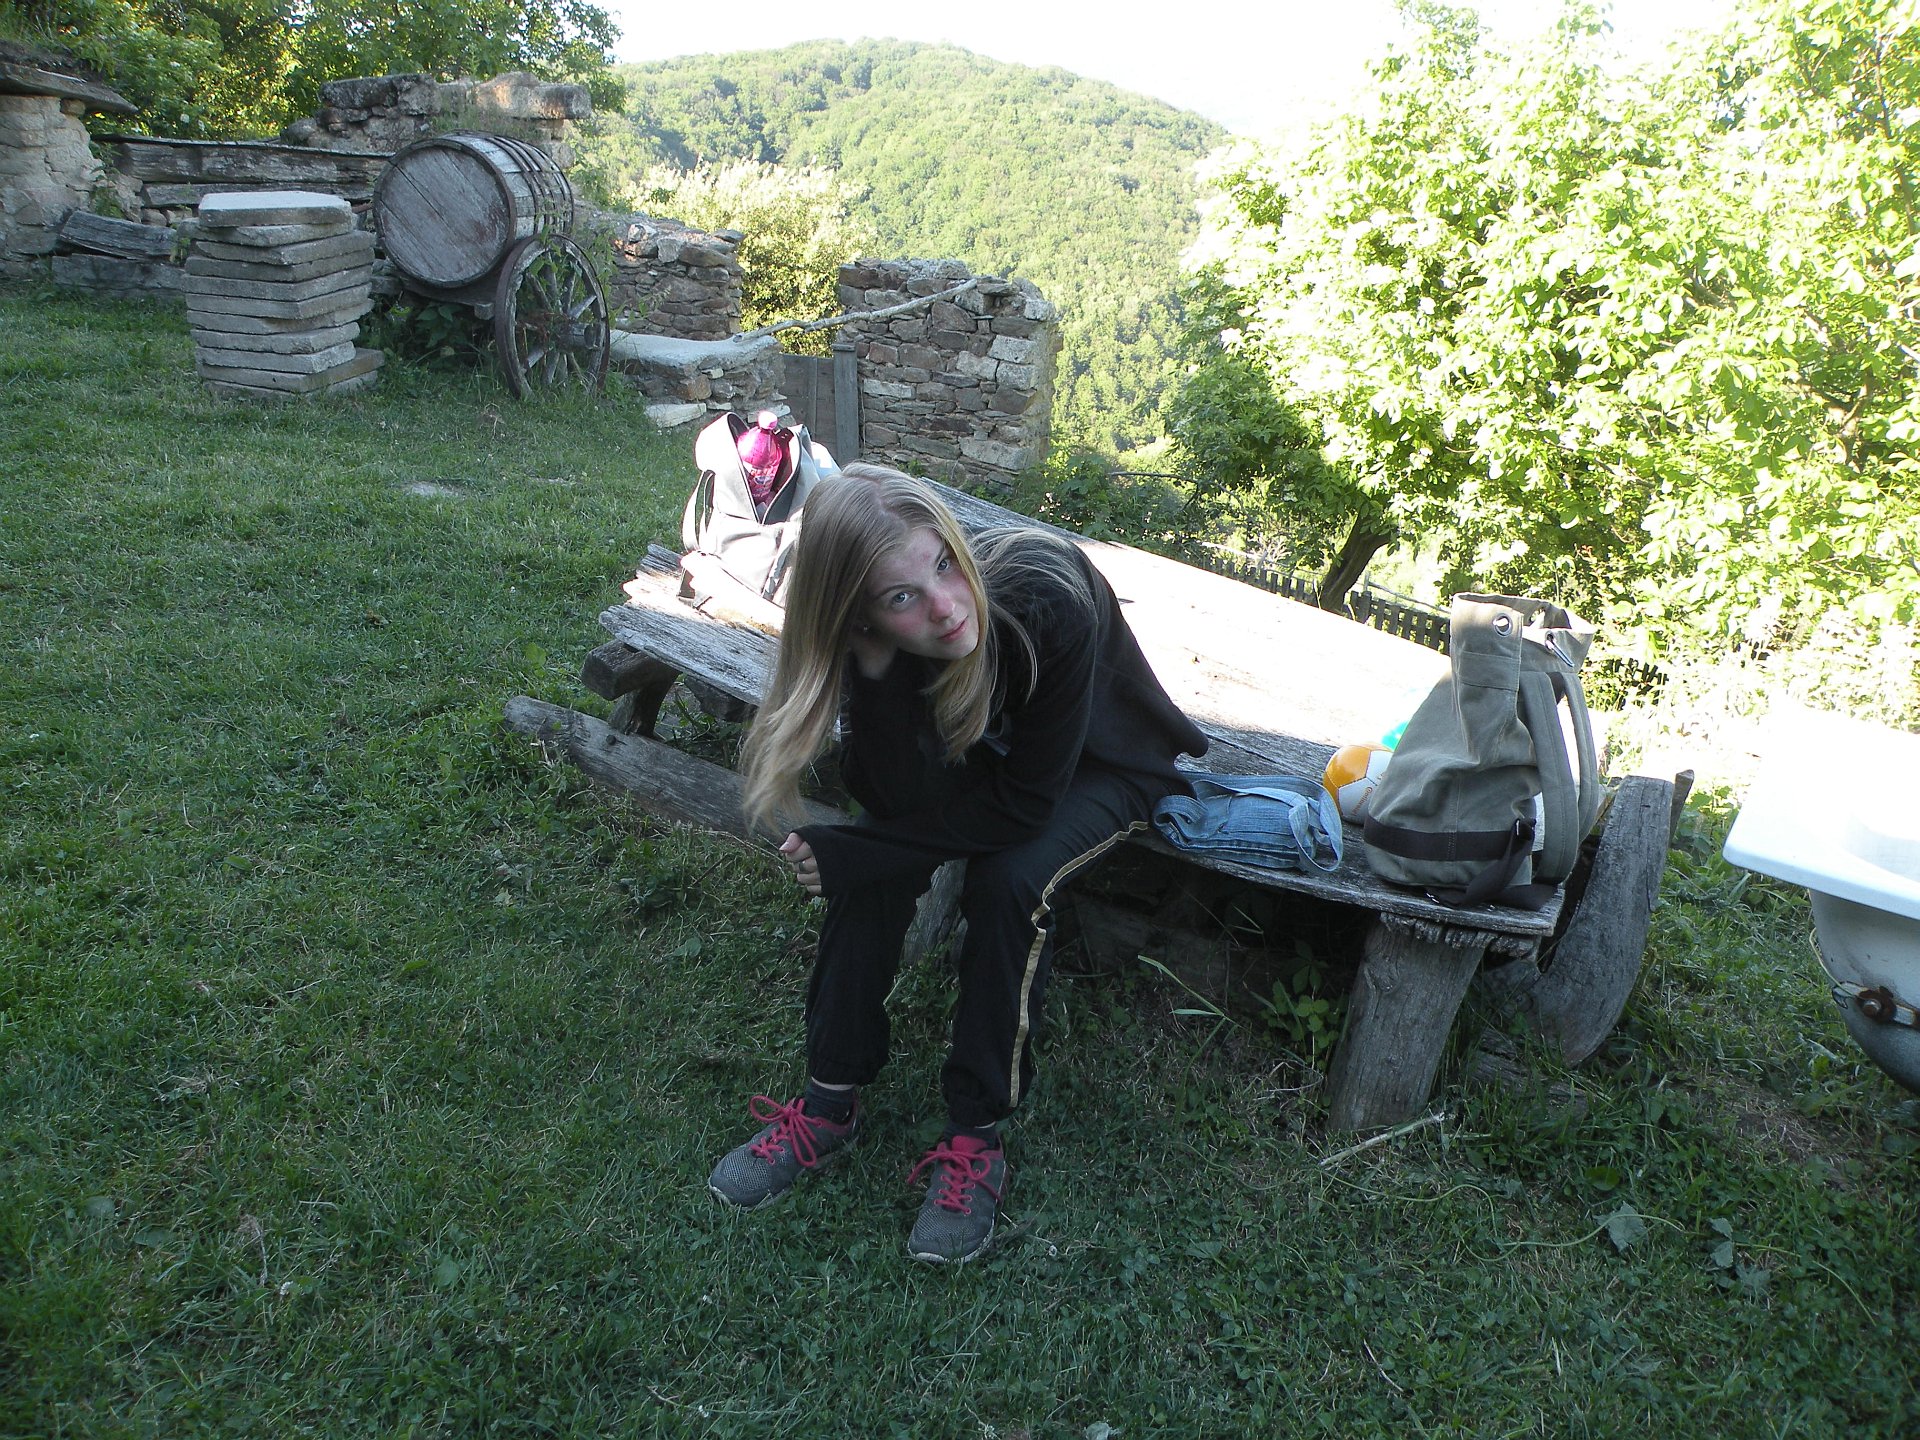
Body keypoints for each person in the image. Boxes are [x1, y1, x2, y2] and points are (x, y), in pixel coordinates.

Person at [707, 464, 1208, 1263]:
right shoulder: (877, 643)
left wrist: (860, 852)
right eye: (901, 598)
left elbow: (1024, 808)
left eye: (944, 565)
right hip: (1000, 759)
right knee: (874, 856)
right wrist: (876, 675)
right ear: (858, 616)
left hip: (1105, 763)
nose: (945, 607)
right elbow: (891, 794)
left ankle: (975, 1133)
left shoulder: (1045, 595)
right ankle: (830, 1102)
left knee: (1009, 880)